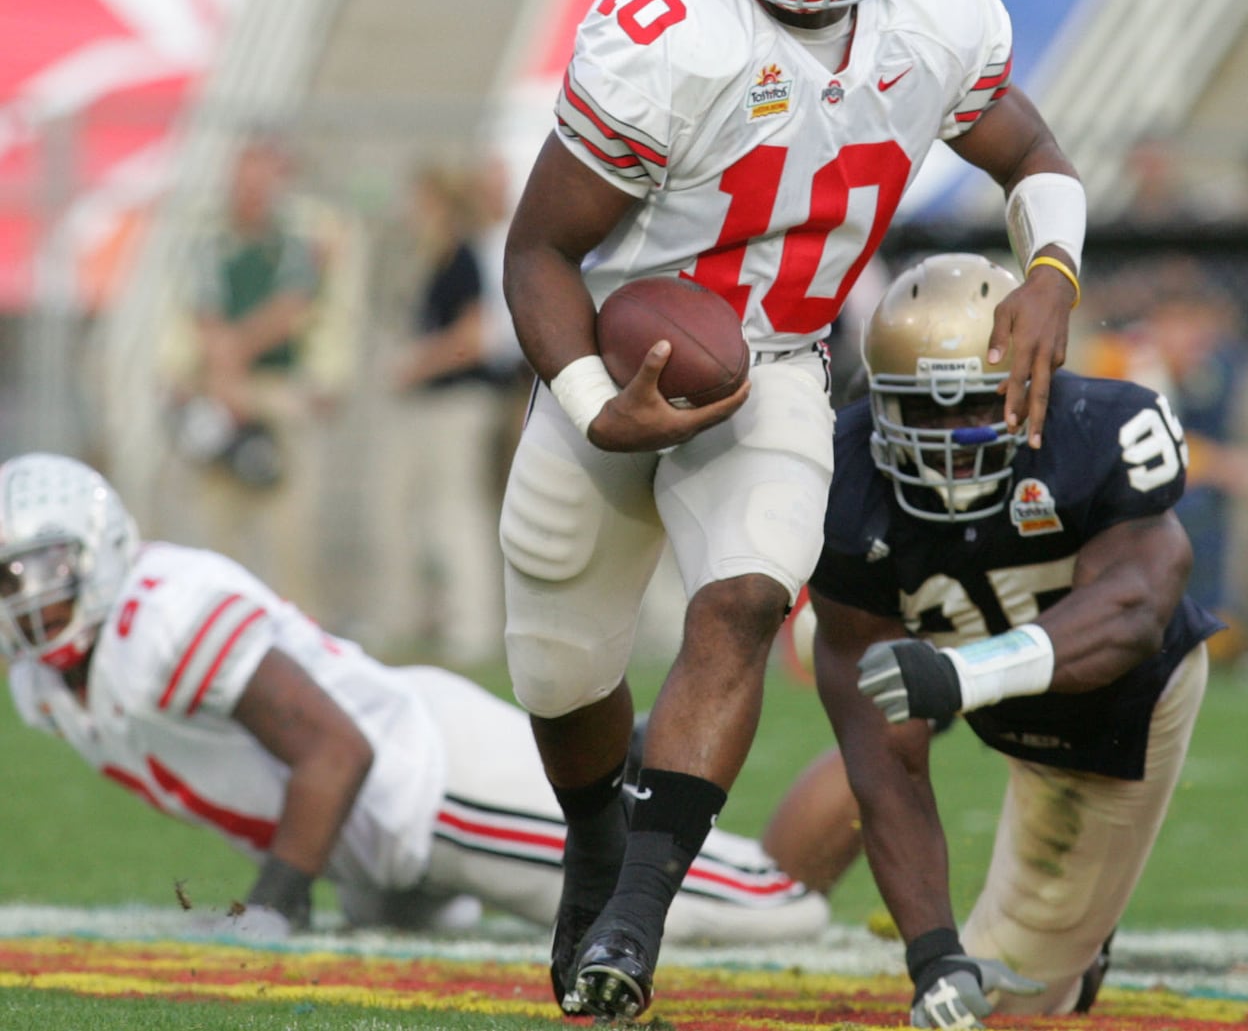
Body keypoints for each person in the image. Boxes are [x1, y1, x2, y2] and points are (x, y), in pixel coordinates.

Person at [499, 0, 1086, 1020]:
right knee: (560, 672)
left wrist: (1051, 269)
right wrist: (598, 401)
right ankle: (596, 843)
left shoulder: (935, 13)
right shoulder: (666, 29)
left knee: (750, 600)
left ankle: (634, 926)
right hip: (622, 346)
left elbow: (1032, 157)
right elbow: (537, 253)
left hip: (774, 359)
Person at [0, 452, 830, 947]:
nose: (21, 602)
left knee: (767, 905)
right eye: (6, 582)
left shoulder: (163, 612)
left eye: (35, 574)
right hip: (379, 840)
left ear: (97, 551)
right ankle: (630, 754)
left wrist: (276, 903)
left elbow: (337, 749)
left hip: (427, 783)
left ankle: (887, 726)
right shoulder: (42, 680)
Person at [796, 253, 1219, 1027]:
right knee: (850, 671)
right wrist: (931, 953)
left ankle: (1078, 946)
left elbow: (1133, 615)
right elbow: (885, 762)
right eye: (923, 410)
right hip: (965, 664)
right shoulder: (836, 476)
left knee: (1003, 1009)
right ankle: (754, 876)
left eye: (976, 404)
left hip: (1115, 715)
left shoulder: (1103, 433)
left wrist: (964, 674)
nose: (953, 437)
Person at [162, 135, 362, 624]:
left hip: (277, 390)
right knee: (219, 525)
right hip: (220, 393)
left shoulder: (298, 238)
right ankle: (222, 630)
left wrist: (231, 363)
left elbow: (291, 310)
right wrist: (224, 383)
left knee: (289, 531)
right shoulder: (208, 237)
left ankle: (296, 633)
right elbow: (201, 313)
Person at [369, 163, 505, 666]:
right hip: (424, 405)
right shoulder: (422, 259)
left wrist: (414, 364)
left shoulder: (463, 256)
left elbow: (472, 338)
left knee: (456, 512)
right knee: (411, 517)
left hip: (457, 403)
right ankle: (411, 619)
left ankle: (473, 626)